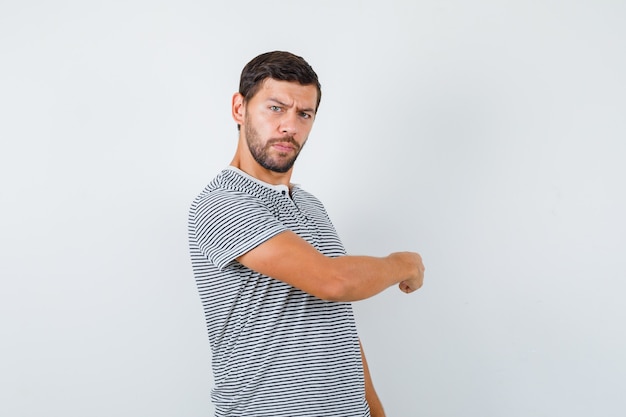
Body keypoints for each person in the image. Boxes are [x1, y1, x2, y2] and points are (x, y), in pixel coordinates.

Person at [188, 51, 425, 417]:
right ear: (240, 108)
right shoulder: (222, 204)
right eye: (275, 108)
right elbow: (334, 281)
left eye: (304, 114)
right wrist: (404, 264)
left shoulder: (310, 205)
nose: (290, 126)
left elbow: (338, 323)